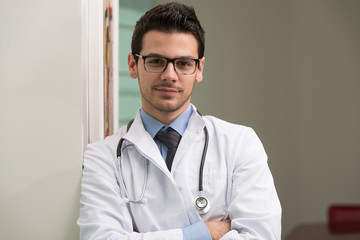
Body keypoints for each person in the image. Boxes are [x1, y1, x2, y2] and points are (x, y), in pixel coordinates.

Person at [77, 2, 281, 240]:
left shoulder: (240, 144)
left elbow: (261, 236)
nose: (169, 76)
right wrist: (207, 232)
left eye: (183, 63)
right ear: (133, 65)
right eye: (156, 61)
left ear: (199, 69)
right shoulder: (103, 157)